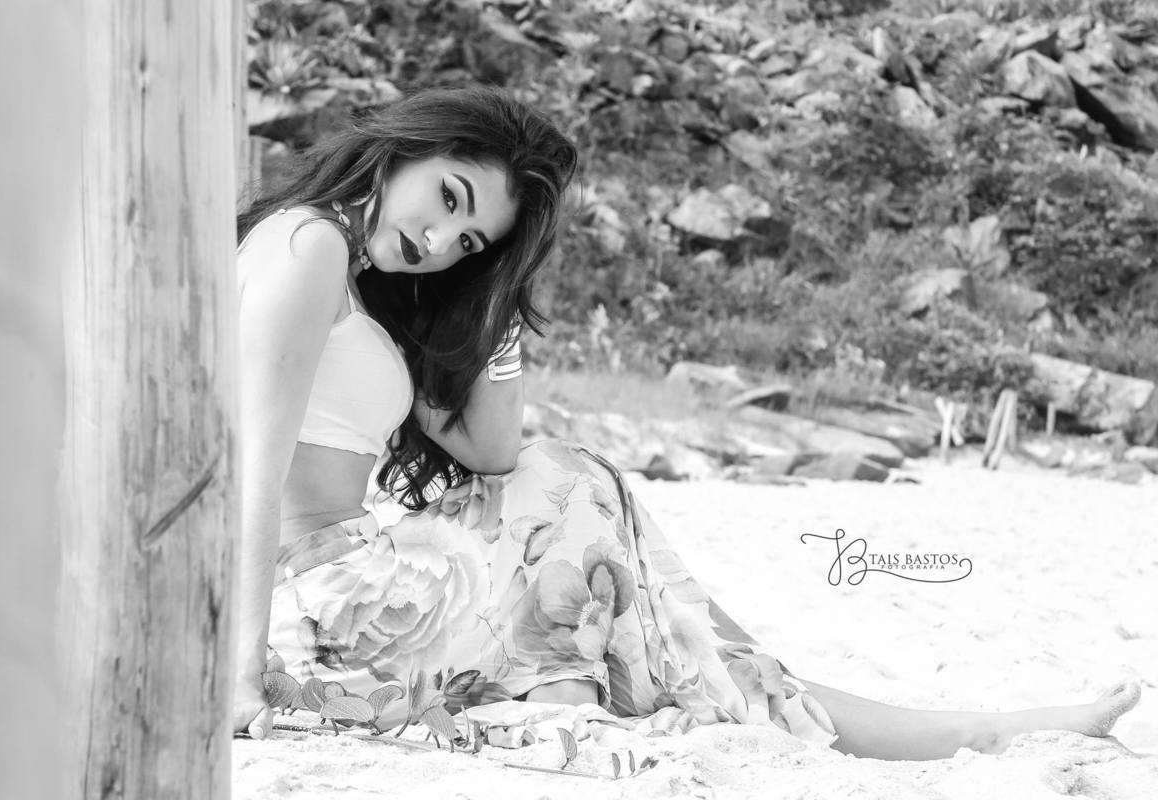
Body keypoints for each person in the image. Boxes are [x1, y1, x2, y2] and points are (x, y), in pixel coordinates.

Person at [231, 86, 1141, 760]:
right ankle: (942, 729)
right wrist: (236, 679)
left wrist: (494, 297)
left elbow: (492, 449)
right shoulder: (310, 247)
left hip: (349, 603)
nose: (438, 241)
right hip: (318, 620)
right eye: (450, 196)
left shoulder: (352, 274)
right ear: (405, 148)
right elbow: (248, 474)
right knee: (580, 498)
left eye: (468, 242)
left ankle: (927, 724)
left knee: (591, 514)